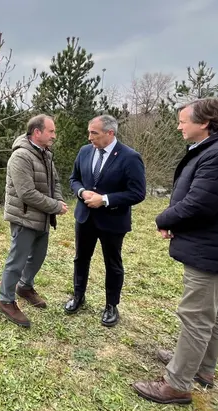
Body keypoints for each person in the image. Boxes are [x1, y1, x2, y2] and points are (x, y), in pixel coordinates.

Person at [132, 98, 218, 405]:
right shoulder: (216, 151)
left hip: (215, 249)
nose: (178, 126)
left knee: (195, 316)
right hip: (213, 245)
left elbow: (201, 203)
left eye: (182, 121)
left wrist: (165, 218)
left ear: (204, 123)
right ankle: (202, 368)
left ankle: (176, 384)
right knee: (209, 312)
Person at [64, 114, 146, 327]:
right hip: (85, 217)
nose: (89, 137)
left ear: (110, 133)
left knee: (113, 263)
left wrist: (106, 200)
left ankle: (111, 305)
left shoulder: (130, 157)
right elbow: (74, 179)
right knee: (81, 258)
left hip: (113, 220)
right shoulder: (84, 151)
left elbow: (137, 193)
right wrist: (81, 192)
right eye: (89, 132)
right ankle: (78, 296)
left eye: (94, 133)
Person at [0, 114, 68, 328]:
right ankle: (5, 301)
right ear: (37, 132)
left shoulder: (45, 153)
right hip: (24, 217)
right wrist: (55, 206)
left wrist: (59, 199)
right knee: (16, 261)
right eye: (51, 131)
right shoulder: (20, 157)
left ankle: (25, 287)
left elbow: (54, 181)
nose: (54, 136)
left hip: (42, 217)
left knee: (37, 256)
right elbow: (26, 193)